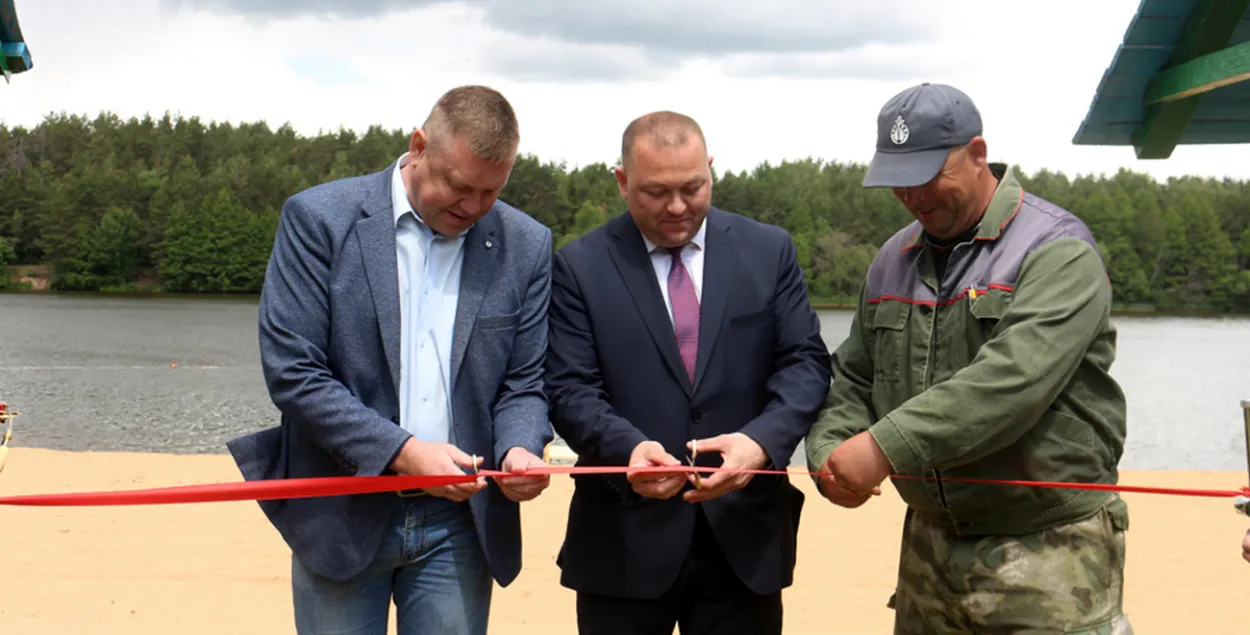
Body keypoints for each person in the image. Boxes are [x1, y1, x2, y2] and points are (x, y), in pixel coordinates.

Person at [805, 83, 1134, 634]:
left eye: (928, 175)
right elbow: (854, 377)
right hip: (927, 549)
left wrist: (883, 447)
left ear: (978, 154)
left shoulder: (1057, 251)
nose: (912, 195)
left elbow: (1010, 382)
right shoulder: (891, 260)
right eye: (898, 181)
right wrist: (829, 453)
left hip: (1049, 549)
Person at [225, 85, 554, 635]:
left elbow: (523, 383)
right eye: (458, 185)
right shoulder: (317, 219)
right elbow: (294, 373)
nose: (472, 208)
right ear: (419, 145)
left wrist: (520, 447)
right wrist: (402, 452)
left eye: (490, 193)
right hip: (341, 510)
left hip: (461, 524)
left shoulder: (528, 243)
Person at [544, 110, 832, 635]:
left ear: (711, 171)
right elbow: (569, 389)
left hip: (745, 542)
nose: (677, 207)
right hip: (623, 543)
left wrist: (761, 443)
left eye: (692, 187)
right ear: (622, 181)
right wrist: (627, 449)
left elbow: (806, 364)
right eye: (655, 192)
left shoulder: (769, 251)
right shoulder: (579, 267)